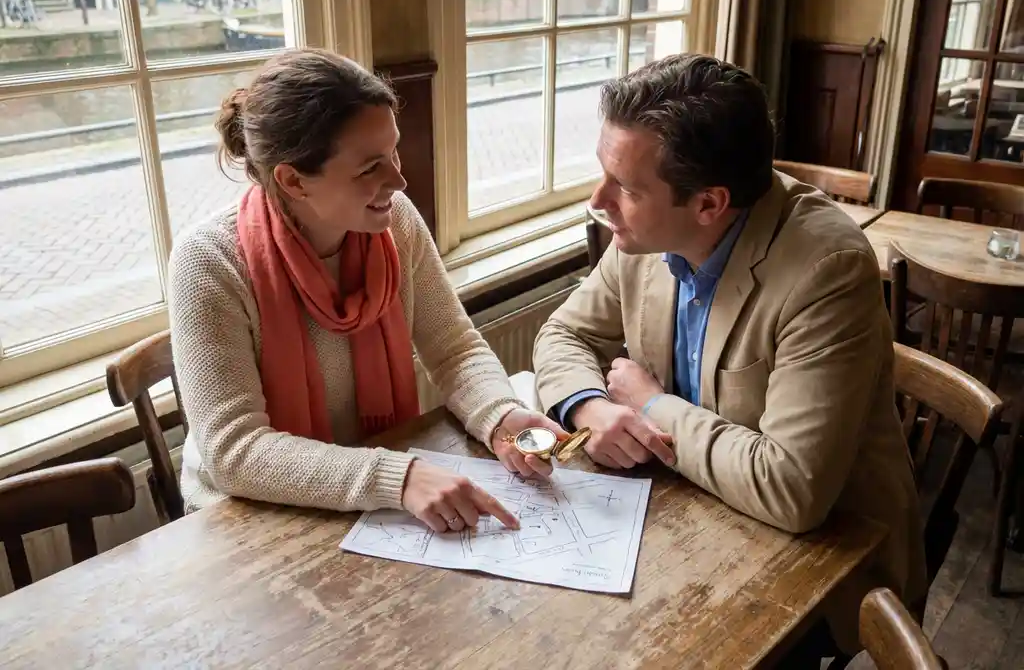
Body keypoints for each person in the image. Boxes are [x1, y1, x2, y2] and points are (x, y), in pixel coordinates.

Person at [532, 53, 927, 658]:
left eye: (626, 188)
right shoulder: (646, 235)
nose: (598, 200)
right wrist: (589, 405)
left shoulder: (827, 270)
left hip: (823, 562)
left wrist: (650, 405)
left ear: (709, 204)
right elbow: (563, 335)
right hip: (692, 517)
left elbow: (791, 489)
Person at [169, 48, 565, 534]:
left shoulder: (395, 221)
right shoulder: (208, 261)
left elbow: (454, 349)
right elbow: (234, 451)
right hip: (246, 521)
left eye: (393, 152)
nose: (399, 180)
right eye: (369, 168)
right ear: (293, 180)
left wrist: (500, 415)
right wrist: (399, 478)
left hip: (366, 494)